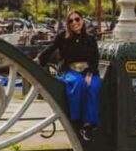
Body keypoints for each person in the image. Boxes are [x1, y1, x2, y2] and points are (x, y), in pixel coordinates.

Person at [34, 10, 102, 140]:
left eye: (77, 19)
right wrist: (39, 59)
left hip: (87, 70)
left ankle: (88, 125)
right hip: (70, 71)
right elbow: (52, 48)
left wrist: (90, 72)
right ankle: (76, 121)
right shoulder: (63, 37)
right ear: (68, 24)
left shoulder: (90, 39)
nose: (74, 23)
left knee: (93, 86)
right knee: (78, 83)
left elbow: (95, 58)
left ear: (82, 20)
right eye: (71, 21)